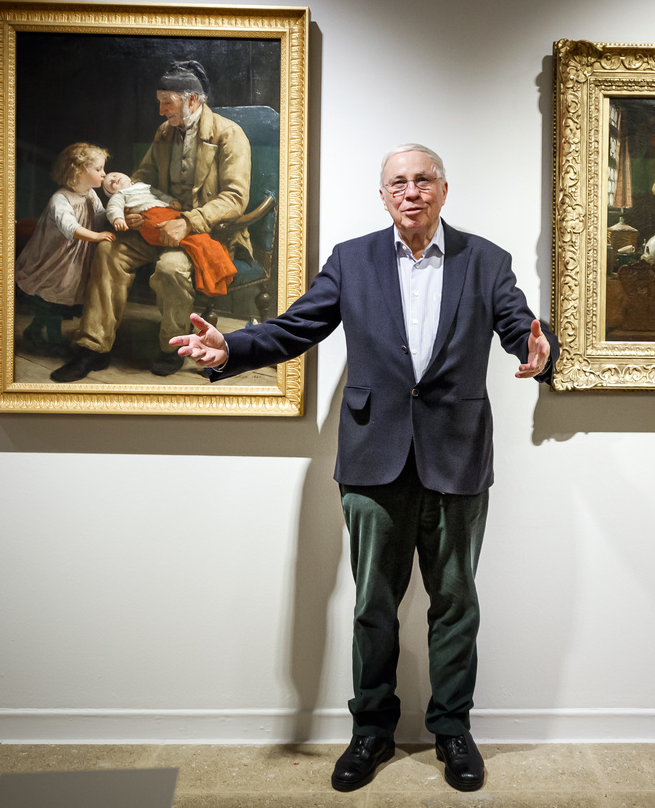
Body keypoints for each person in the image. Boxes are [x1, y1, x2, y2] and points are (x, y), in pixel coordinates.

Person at [170, 144, 558, 794]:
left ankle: (452, 730)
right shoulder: (352, 260)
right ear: (383, 195)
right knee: (373, 603)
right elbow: (296, 327)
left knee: (455, 602)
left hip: (457, 456)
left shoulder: (485, 259)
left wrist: (537, 353)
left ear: (444, 188)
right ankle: (371, 731)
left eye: (423, 179)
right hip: (374, 457)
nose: (411, 191)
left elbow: (521, 326)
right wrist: (228, 348)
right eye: (397, 182)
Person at [51, 60, 251, 382]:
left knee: (171, 269)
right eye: (159, 101)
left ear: (193, 100)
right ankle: (93, 347)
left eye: (166, 102)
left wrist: (187, 222)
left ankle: (171, 347)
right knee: (108, 251)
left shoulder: (230, 135)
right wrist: (129, 203)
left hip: (202, 233)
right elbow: (143, 176)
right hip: (151, 225)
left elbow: (235, 198)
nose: (160, 111)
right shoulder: (164, 132)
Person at [15, 142, 117, 356]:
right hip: (56, 258)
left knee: (59, 299)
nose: (104, 174)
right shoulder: (60, 199)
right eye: (98, 169)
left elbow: (98, 215)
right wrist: (97, 236)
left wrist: (116, 213)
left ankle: (34, 330)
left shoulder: (90, 193)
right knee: (53, 299)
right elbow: (70, 228)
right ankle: (54, 340)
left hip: (75, 257)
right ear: (79, 171)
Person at [102, 171, 237, 297]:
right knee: (105, 249)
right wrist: (121, 217)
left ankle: (218, 270)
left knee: (192, 245)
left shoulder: (142, 186)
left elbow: (160, 195)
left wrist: (172, 202)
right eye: (110, 183)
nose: (114, 179)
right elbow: (113, 208)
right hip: (150, 219)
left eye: (114, 175)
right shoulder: (119, 195)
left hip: (182, 216)